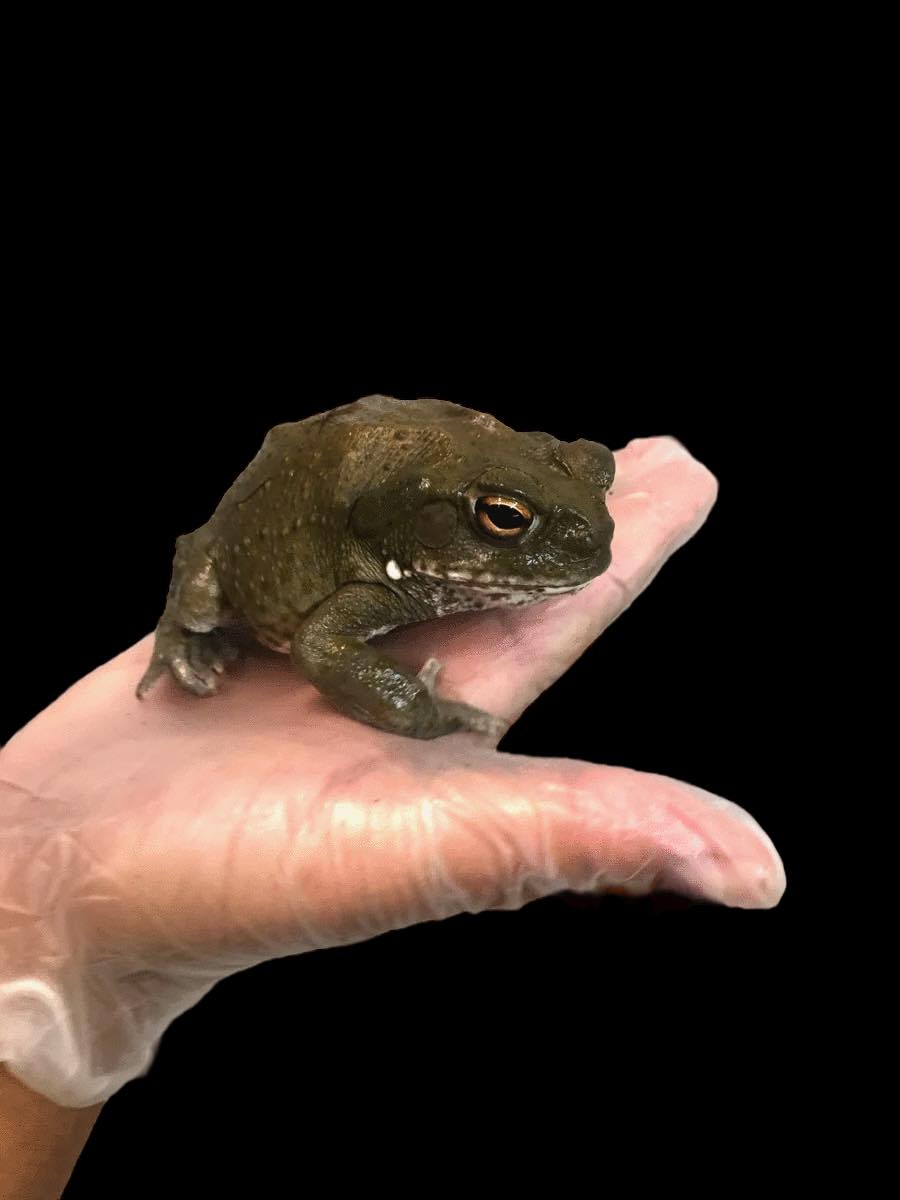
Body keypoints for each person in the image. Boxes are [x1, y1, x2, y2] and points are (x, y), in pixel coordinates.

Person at [0, 437, 784, 1197]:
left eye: (594, 475)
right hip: (293, 521)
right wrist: (416, 708)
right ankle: (190, 624)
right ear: (432, 525)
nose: (590, 525)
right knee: (204, 593)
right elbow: (324, 644)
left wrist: (65, 953)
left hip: (386, 468)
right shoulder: (375, 576)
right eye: (506, 519)